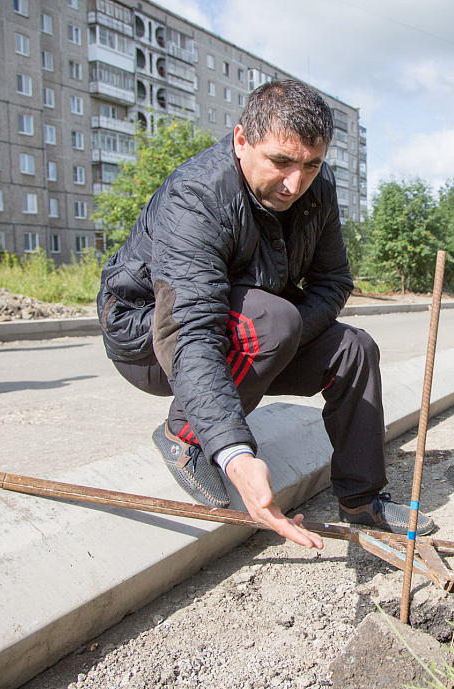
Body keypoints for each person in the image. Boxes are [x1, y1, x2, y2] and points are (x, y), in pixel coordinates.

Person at [97, 80, 434, 549]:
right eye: (281, 162)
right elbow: (188, 330)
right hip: (152, 337)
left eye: (311, 165)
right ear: (241, 141)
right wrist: (233, 451)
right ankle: (185, 435)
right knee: (274, 321)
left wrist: (290, 337)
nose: (295, 183)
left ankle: (361, 500)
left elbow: (333, 281)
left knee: (354, 349)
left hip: (251, 327)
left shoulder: (318, 189)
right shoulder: (197, 197)